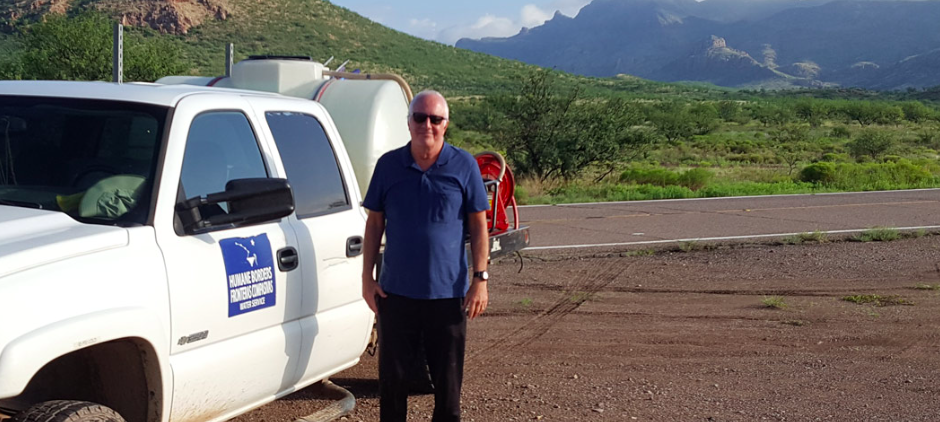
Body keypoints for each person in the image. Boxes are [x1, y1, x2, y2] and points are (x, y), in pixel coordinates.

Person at [361, 90, 490, 422]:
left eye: (435, 119)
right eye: (420, 117)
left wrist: (480, 279)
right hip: (396, 294)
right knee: (393, 385)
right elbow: (375, 223)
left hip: (448, 297)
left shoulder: (464, 166)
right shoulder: (389, 166)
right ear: (408, 122)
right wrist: (366, 279)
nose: (427, 125)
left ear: (446, 125)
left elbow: (478, 226)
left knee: (447, 390)